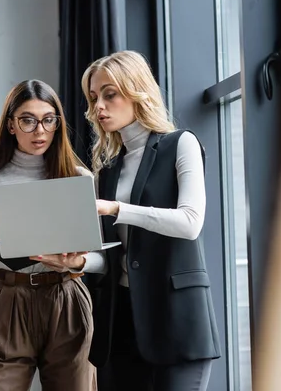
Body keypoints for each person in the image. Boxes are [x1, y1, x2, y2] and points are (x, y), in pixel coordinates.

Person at [0, 79, 104, 391]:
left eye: (49, 120)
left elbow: (100, 258)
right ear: (11, 125)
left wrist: (76, 262)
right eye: (28, 120)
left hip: (66, 296)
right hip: (8, 300)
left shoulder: (78, 178)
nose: (40, 130)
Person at [81, 50, 221, 390]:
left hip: (177, 319)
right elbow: (116, 256)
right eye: (94, 97)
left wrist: (117, 209)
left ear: (137, 90)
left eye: (109, 94)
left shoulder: (181, 144)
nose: (99, 107)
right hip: (122, 321)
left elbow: (190, 223)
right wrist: (79, 261)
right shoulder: (109, 170)